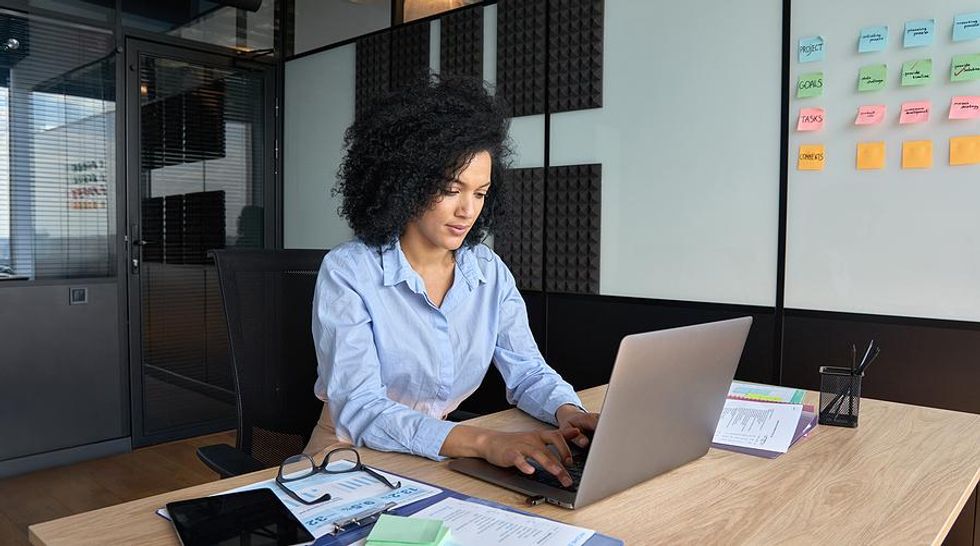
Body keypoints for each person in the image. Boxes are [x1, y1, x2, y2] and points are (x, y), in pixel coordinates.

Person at [306, 76, 598, 487]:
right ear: (405, 183)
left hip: (438, 455)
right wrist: (482, 441)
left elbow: (528, 371)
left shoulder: (488, 271)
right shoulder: (349, 271)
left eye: (480, 194)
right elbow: (362, 408)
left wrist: (569, 412)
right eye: (450, 189)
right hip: (347, 455)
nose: (467, 210)